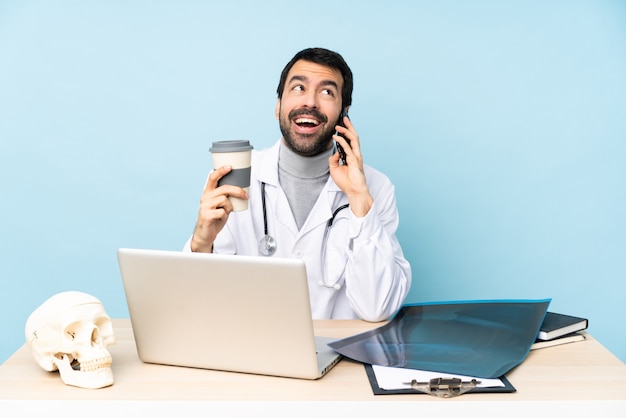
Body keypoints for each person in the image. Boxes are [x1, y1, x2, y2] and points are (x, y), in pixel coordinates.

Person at [184, 47, 411, 322]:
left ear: (344, 114)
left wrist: (360, 202)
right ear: (278, 105)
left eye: (327, 92)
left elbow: (377, 308)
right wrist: (201, 243)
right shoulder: (235, 178)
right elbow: (200, 307)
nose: (311, 102)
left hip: (339, 359)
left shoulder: (376, 188)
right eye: (298, 88)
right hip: (251, 357)